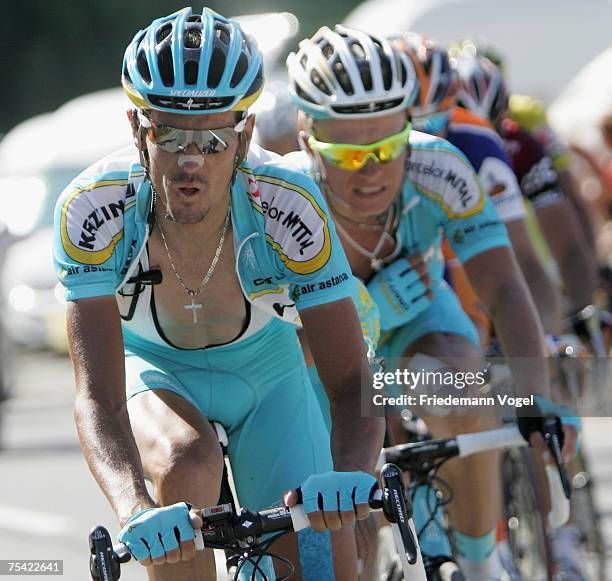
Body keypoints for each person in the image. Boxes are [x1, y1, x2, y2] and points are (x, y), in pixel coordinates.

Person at [53, 8, 384, 581]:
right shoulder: (91, 209)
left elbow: (353, 380)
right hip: (156, 371)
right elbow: (98, 397)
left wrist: (351, 474)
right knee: (185, 463)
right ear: (138, 130)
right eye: (169, 134)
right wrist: (134, 508)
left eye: (211, 139)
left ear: (244, 135)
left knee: (321, 561)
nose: (190, 160)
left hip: (268, 372)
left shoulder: (288, 203)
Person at [286, 24, 577, 581]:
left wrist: (539, 397)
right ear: (305, 136)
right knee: (350, 526)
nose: (370, 171)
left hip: (422, 329)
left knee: (465, 387)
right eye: (346, 155)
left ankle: (479, 559)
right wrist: (374, 306)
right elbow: (283, 350)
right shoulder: (284, 197)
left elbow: (507, 286)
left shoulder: (439, 167)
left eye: (387, 148)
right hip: (322, 355)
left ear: (409, 130)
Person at [391, 32, 564, 341]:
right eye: (411, 128)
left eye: (434, 124)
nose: (426, 140)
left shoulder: (477, 140)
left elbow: (523, 260)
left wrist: (547, 341)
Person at [454, 53, 597, 321]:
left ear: (505, 116)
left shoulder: (521, 145)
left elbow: (566, 244)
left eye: (492, 129)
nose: (481, 145)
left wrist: (582, 312)